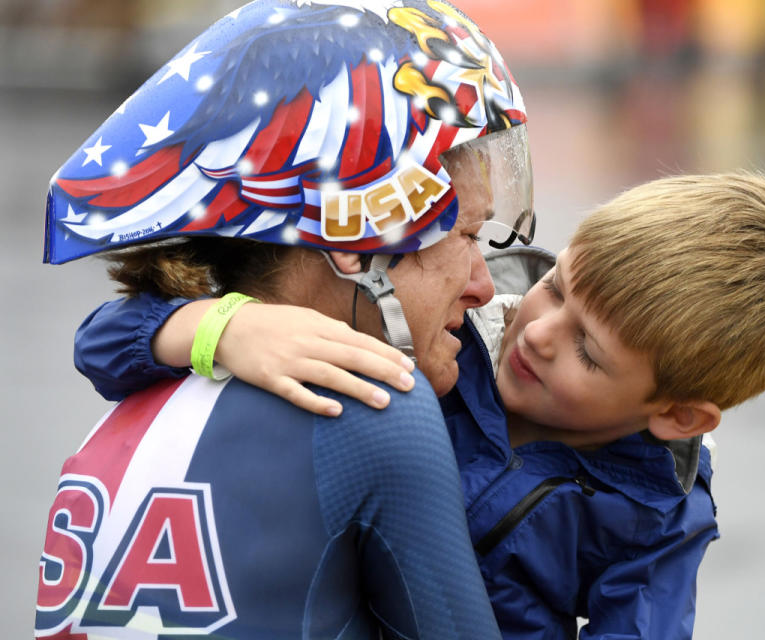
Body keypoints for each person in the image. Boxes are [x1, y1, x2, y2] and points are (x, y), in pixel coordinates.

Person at [70, 172, 765, 638]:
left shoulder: (658, 516)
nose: (536, 332)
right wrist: (222, 326)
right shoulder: (442, 327)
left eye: (589, 352)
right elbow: (104, 342)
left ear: (677, 417)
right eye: (557, 287)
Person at [35, 1, 535, 638]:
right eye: (465, 235)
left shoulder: (142, 386)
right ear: (357, 240)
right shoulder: (374, 404)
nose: (483, 285)